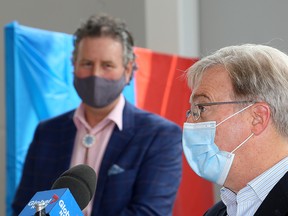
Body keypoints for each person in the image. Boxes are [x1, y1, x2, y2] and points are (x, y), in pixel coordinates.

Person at [12, 14, 182, 216]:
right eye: (87, 63)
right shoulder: (47, 132)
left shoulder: (160, 136)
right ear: (73, 65)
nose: (96, 74)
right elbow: (24, 207)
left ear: (128, 70)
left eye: (107, 65)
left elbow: (150, 212)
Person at [183, 44, 288, 216]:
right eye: (191, 110)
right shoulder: (216, 213)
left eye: (201, 108)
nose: (189, 121)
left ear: (257, 118)